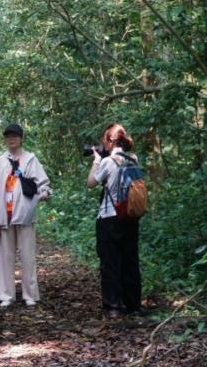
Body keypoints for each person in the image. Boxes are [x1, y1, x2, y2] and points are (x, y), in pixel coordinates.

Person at [0, 124, 51, 308]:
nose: (11, 139)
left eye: (15, 136)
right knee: (4, 256)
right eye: (8, 136)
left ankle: (29, 294)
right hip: (4, 214)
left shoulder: (31, 159)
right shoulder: (0, 161)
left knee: (28, 256)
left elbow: (43, 183)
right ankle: (6, 295)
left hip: (25, 213)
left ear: (21, 138)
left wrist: (44, 192)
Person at [86, 123, 142, 319]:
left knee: (110, 262)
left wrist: (96, 161)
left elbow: (91, 183)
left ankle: (114, 305)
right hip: (131, 216)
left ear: (110, 140)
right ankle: (133, 303)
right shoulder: (133, 159)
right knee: (130, 261)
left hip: (110, 217)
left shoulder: (109, 162)